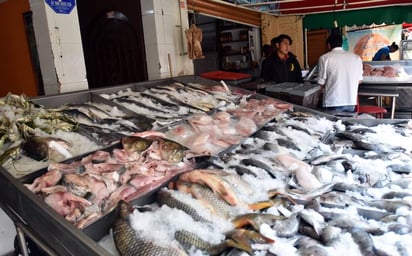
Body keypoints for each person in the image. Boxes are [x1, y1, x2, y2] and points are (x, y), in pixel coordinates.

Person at [317, 33, 363, 113]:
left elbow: (321, 82)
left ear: (328, 45)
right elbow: (359, 80)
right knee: (346, 125)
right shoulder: (356, 58)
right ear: (341, 44)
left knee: (332, 125)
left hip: (332, 101)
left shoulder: (324, 58)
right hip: (350, 101)